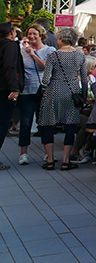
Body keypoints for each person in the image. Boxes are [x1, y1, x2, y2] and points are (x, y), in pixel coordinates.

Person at [38, 27, 89, 171]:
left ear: (61, 39)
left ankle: (50, 160)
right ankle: (66, 160)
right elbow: (84, 79)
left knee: (48, 125)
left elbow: (46, 79)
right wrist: (83, 96)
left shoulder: (53, 55)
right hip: (71, 93)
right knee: (70, 126)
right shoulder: (80, 56)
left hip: (53, 92)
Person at [16, 24, 55, 165]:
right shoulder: (22, 51)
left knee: (43, 122)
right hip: (26, 91)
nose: (31, 36)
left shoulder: (49, 50)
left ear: (41, 36)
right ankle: (23, 153)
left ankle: (47, 153)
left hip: (44, 91)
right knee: (25, 122)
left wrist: (33, 54)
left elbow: (46, 67)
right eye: (29, 34)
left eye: (34, 34)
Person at [0, 22, 26, 169]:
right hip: (5, 88)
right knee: (3, 123)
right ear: (11, 33)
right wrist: (14, 87)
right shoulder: (10, 46)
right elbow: (10, 67)